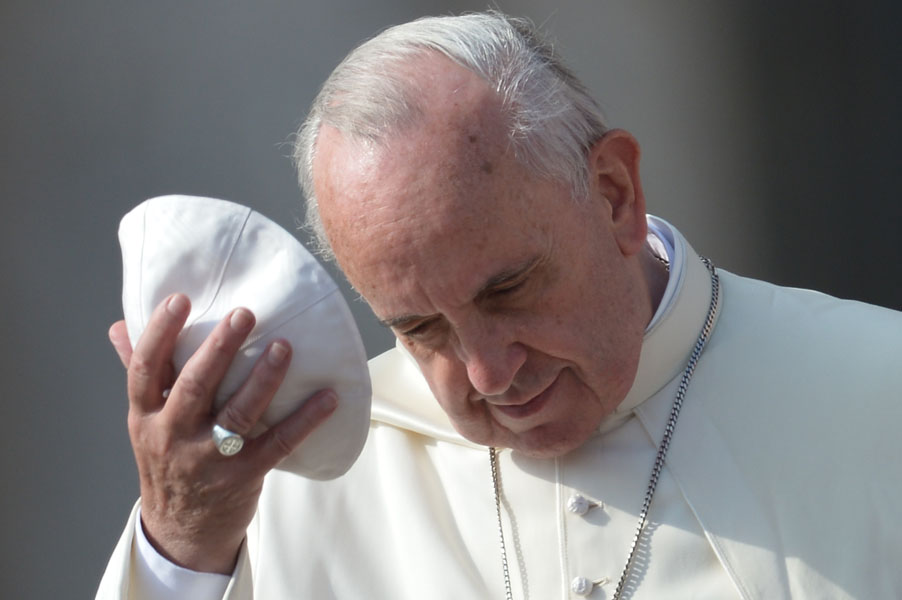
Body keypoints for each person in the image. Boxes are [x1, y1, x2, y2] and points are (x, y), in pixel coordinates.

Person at [97, 11, 902, 600]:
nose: (487, 373)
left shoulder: (878, 395)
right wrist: (182, 547)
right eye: (421, 328)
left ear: (615, 195)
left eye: (509, 290)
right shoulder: (293, 486)